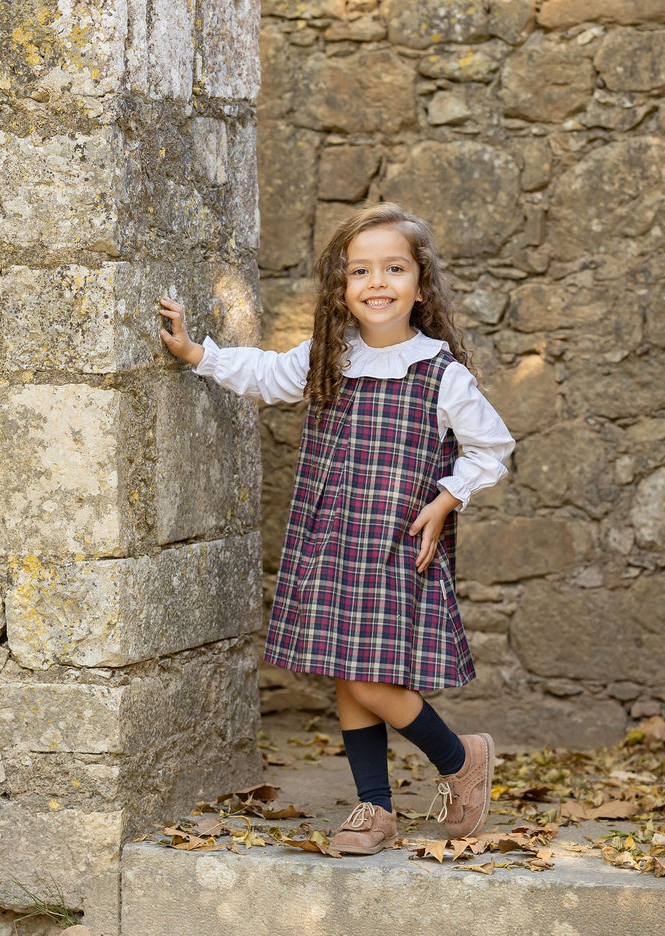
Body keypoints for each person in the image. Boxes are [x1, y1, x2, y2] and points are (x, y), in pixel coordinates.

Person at [157, 203, 514, 856]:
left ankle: (458, 757)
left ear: (419, 281)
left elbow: (490, 448)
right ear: (341, 287)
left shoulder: (440, 372)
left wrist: (445, 501)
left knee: (373, 678)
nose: (376, 283)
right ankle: (374, 809)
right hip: (332, 539)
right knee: (347, 671)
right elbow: (263, 376)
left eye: (393, 268)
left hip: (393, 543)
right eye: (360, 271)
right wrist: (195, 352)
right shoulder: (331, 357)